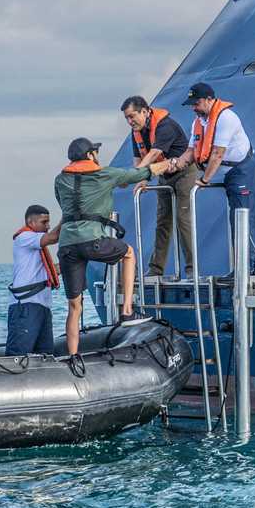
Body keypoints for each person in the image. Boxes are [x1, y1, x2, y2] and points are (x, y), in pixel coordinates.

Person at [55, 137, 168, 354]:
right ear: (89, 156)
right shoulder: (103, 174)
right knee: (128, 253)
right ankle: (127, 310)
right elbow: (139, 174)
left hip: (67, 245)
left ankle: (72, 357)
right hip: (92, 241)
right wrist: (168, 164)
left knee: (74, 306)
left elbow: (65, 206)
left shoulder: (60, 180)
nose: (97, 155)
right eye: (94, 152)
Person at [176, 83, 255, 271]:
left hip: (243, 170)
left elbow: (217, 154)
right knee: (238, 218)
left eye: (197, 103)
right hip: (230, 175)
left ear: (209, 100)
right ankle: (248, 267)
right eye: (191, 104)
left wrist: (204, 180)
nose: (194, 108)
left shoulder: (226, 118)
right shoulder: (198, 122)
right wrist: (176, 164)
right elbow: (191, 151)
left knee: (242, 218)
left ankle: (250, 268)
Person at [122, 95, 198, 280]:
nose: (130, 121)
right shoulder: (137, 132)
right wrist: (142, 180)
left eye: (132, 116)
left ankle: (191, 269)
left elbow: (155, 152)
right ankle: (156, 269)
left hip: (184, 173)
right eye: (127, 118)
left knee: (183, 219)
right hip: (165, 175)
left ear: (145, 111)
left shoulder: (165, 126)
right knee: (162, 222)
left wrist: (133, 175)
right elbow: (139, 158)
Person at [6, 205, 61, 356]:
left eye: (49, 222)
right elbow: (54, 237)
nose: (48, 226)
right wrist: (69, 216)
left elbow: (49, 271)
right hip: (25, 306)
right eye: (44, 222)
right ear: (31, 223)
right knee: (18, 355)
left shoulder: (36, 247)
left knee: (45, 354)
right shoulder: (24, 238)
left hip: (42, 307)